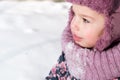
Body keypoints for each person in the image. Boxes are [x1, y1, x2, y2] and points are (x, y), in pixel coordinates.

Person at [46, 0, 120, 80]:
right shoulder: (71, 52)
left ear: (113, 26)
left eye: (85, 20)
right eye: (74, 14)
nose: (74, 25)